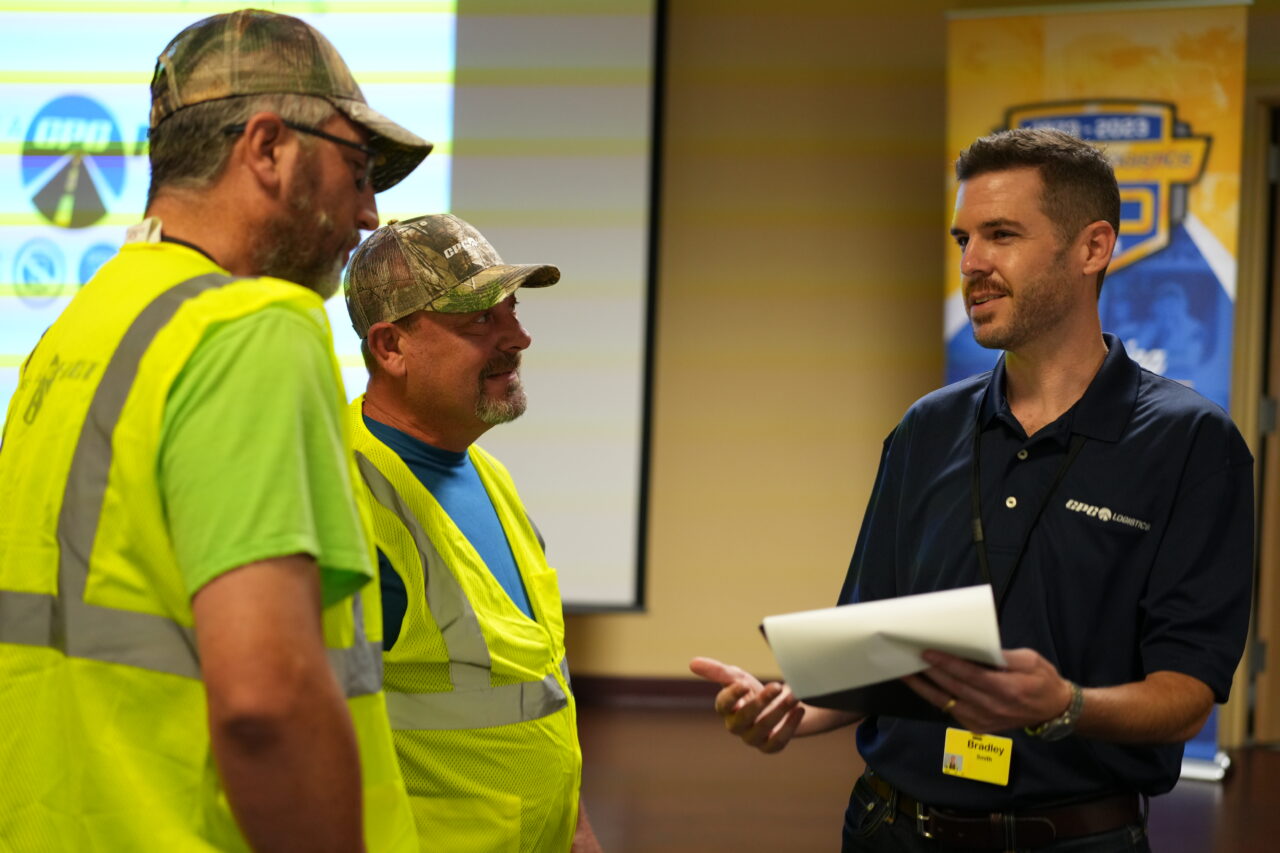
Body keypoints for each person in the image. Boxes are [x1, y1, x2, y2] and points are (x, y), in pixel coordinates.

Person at [692, 128, 1253, 852]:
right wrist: (793, 709)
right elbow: (878, 647)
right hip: (887, 828)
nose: (973, 263)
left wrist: (1066, 705)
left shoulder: (1190, 444)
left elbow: (1187, 693)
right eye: (964, 238)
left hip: (1070, 837)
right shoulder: (926, 428)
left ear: (1093, 247)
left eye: (1002, 234)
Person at [0, 9, 432, 852]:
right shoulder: (252, 328)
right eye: (358, 166)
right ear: (267, 147)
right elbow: (267, 703)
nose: (373, 212)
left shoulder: (75, 334)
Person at [342, 213, 602, 851]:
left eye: (511, 310)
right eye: (480, 320)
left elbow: (538, 689)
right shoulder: (338, 496)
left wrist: (579, 830)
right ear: (390, 347)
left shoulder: (489, 476)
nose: (519, 337)